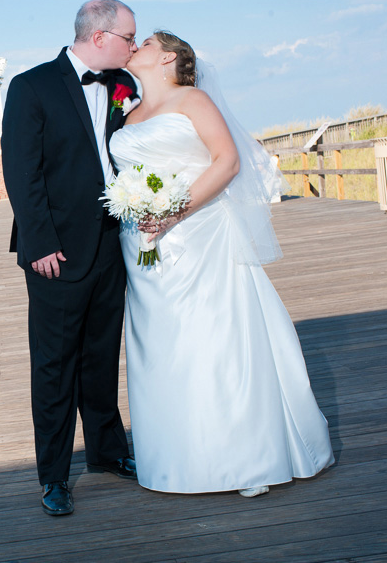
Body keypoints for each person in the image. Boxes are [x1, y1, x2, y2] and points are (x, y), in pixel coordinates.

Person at [110, 31, 334, 497]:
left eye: (146, 41)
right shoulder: (127, 114)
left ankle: (240, 457)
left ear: (168, 56)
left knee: (213, 338)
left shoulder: (193, 100)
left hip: (198, 234)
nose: (137, 45)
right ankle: (176, 457)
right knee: (162, 348)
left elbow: (227, 161)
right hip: (142, 243)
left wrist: (173, 212)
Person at [1, 0, 141, 516]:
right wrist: (39, 243)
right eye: (129, 37)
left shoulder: (125, 88)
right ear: (100, 36)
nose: (134, 45)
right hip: (55, 252)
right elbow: (22, 170)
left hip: (112, 243)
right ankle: (54, 476)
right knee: (55, 367)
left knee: (102, 356)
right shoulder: (31, 86)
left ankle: (107, 453)